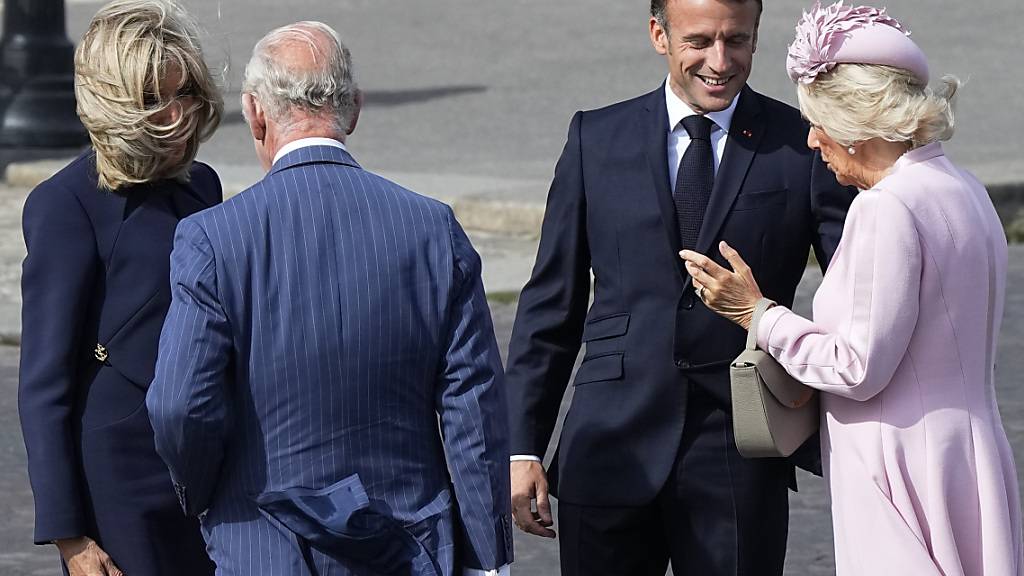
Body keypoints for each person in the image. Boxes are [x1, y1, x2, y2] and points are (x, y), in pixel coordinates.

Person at [146, 21, 513, 576]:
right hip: (406, 545)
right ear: (356, 109)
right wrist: (489, 560)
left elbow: (178, 405)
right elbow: (473, 409)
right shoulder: (431, 228)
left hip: (263, 545)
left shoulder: (214, 240)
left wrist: (208, 494)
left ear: (255, 113)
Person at [504, 0, 855, 573]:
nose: (720, 61)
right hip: (609, 445)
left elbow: (855, 293)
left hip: (740, 453)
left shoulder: (803, 145)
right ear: (658, 36)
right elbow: (551, 304)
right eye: (700, 41)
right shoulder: (597, 137)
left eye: (736, 40)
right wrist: (522, 447)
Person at [681, 2, 1023, 574]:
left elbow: (857, 366)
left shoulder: (885, 208)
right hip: (968, 455)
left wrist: (758, 314)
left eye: (819, 123)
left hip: (898, 463)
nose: (811, 140)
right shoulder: (966, 189)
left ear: (856, 127)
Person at [18, 1, 222, 575]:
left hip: (203, 463)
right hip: (119, 482)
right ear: (117, 107)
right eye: (156, 102)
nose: (178, 117)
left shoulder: (202, 185)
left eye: (186, 95)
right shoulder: (64, 205)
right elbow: (44, 383)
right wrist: (69, 538)